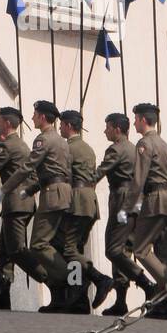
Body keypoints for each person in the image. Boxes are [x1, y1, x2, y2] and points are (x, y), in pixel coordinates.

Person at [1, 100, 75, 313]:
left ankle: (70, 280)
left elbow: (27, 167)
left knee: (39, 244)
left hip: (52, 194)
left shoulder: (43, 139)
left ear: (43, 117)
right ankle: (62, 292)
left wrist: (5, 189)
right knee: (53, 244)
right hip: (61, 191)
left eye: (35, 115)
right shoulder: (61, 140)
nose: (32, 118)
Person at [122, 102, 167, 319]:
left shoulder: (144, 144)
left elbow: (139, 178)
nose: (134, 123)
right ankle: (163, 302)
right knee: (163, 254)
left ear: (142, 120)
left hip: (156, 199)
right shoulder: (164, 143)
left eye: (136, 119)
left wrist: (129, 207)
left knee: (140, 249)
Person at [56, 110, 114, 313]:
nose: (60, 128)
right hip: (90, 200)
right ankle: (78, 296)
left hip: (77, 200)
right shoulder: (87, 147)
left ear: (69, 126)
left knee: (68, 249)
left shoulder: (67, 147)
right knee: (76, 249)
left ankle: (99, 279)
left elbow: (60, 172)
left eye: (62, 125)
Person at [94, 112, 144, 316]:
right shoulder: (135, 149)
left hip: (121, 197)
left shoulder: (115, 149)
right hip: (136, 199)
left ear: (116, 128)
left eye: (107, 127)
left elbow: (99, 172)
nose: (105, 130)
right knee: (124, 250)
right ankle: (121, 301)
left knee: (113, 248)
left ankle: (144, 284)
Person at [0, 106, 35, 310]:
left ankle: (52, 277)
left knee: (16, 249)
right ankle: (2, 296)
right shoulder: (21, 144)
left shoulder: (7, 146)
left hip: (16, 203)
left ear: (7, 123)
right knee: (4, 251)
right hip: (20, 202)